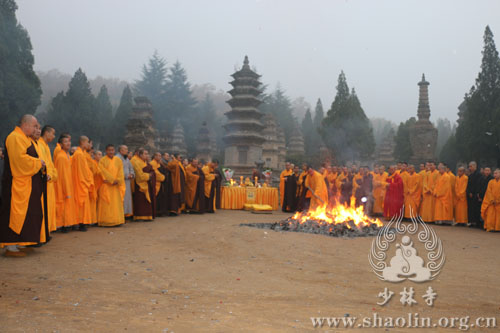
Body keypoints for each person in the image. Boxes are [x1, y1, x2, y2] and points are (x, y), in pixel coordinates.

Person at [0, 115, 46, 257]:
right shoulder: (14, 137)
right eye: (34, 126)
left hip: (28, 184)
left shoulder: (25, 138)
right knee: (15, 214)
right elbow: (19, 160)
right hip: (16, 184)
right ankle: (10, 246)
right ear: (25, 124)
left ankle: (21, 243)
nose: (35, 129)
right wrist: (39, 163)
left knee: (29, 214)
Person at [97, 145, 125, 227]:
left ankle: (117, 220)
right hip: (106, 185)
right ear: (106, 151)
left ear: (114, 151)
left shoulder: (118, 160)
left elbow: (121, 171)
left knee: (116, 204)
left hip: (115, 186)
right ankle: (106, 221)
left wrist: (118, 180)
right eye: (109, 150)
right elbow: (102, 171)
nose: (111, 152)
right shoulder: (102, 160)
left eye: (112, 150)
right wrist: (111, 180)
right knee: (107, 204)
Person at [54, 134, 77, 233]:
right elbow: (62, 175)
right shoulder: (61, 157)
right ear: (61, 145)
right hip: (63, 184)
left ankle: (67, 223)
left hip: (69, 183)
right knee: (64, 204)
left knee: (68, 205)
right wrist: (66, 189)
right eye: (65, 142)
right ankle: (63, 224)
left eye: (69, 141)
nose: (68, 143)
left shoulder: (67, 155)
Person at [71, 136, 94, 231]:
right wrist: (88, 181)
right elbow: (82, 171)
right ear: (83, 142)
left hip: (81, 181)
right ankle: (80, 223)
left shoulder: (81, 153)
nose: (89, 145)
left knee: (82, 204)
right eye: (88, 142)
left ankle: (81, 222)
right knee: (81, 204)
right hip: (81, 182)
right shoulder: (79, 154)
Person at [39, 126, 58, 232]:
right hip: (45, 181)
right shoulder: (40, 145)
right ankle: (43, 232)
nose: (54, 136)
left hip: (49, 181)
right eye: (53, 133)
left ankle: (46, 231)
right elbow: (43, 163)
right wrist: (50, 174)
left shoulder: (46, 146)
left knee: (48, 207)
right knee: (43, 207)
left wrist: (53, 174)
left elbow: (50, 164)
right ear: (46, 133)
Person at [132, 149, 156, 221]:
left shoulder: (145, 162)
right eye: (145, 154)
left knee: (146, 201)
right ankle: (140, 216)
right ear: (140, 155)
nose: (147, 155)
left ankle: (148, 216)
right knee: (141, 200)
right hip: (140, 184)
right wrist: (149, 175)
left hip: (147, 183)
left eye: (147, 154)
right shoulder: (135, 162)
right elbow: (139, 175)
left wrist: (151, 174)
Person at [117, 145, 134, 219]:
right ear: (121, 150)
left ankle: (126, 214)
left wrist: (132, 174)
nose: (127, 150)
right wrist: (127, 175)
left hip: (127, 181)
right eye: (126, 149)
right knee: (121, 197)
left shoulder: (126, 158)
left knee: (127, 198)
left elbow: (131, 168)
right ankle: (120, 214)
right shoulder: (117, 158)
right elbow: (117, 171)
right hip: (121, 181)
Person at [466, 161, 482, 228]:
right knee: (470, 209)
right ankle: (471, 222)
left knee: (476, 209)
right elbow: (468, 185)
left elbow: (478, 185)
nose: (470, 168)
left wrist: (474, 193)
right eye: (469, 166)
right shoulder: (470, 175)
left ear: (475, 166)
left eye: (471, 166)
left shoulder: (479, 175)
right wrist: (469, 192)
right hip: (470, 195)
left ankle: (476, 222)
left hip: (475, 194)